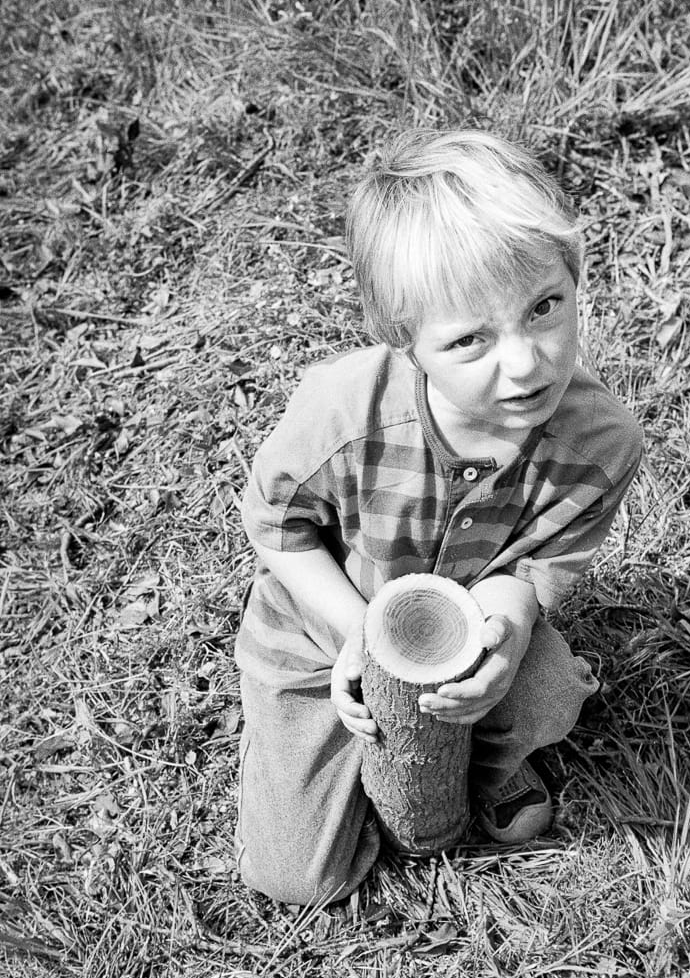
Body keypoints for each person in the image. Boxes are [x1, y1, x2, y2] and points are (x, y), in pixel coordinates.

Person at [234, 129, 643, 905]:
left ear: (575, 276)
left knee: (547, 690)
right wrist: (355, 634)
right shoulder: (343, 412)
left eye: (544, 307)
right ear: (404, 339)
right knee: (297, 878)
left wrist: (507, 634)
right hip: (323, 633)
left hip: (468, 632)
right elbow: (277, 527)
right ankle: (304, 750)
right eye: (470, 340)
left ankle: (484, 760)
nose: (526, 363)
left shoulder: (601, 443)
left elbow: (531, 571)